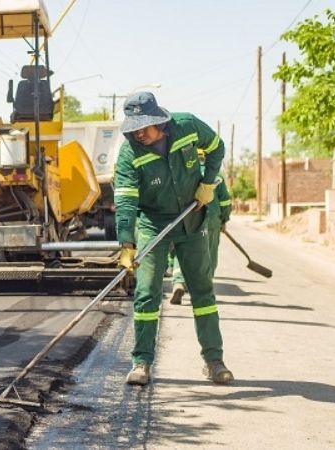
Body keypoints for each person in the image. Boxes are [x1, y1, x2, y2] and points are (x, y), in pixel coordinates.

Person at [114, 92, 234, 386]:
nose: (139, 133)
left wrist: (208, 183)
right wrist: (127, 244)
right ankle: (142, 362)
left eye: (144, 126)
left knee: (203, 291)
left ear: (160, 121)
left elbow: (217, 148)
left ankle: (214, 360)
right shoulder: (130, 153)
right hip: (154, 225)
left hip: (193, 220)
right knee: (146, 293)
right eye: (134, 127)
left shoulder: (187, 125)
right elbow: (126, 199)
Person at [169, 153, 232, 305]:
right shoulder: (216, 176)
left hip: (186, 219)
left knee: (181, 251)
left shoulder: (182, 173)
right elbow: (224, 201)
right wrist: (224, 219)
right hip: (210, 221)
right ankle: (202, 290)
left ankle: (178, 282)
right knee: (208, 254)